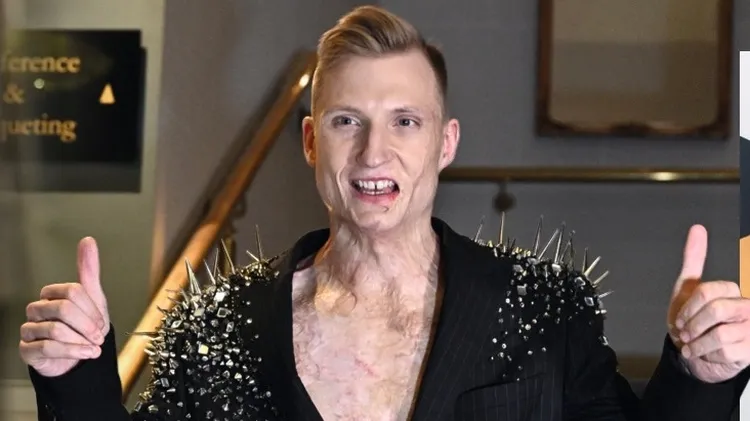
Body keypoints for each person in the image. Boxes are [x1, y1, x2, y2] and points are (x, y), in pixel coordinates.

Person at [19, 6, 750, 421]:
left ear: (445, 143)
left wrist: (701, 374)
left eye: (405, 121)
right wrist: (75, 375)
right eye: (347, 121)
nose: (375, 151)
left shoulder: (546, 309)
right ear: (312, 142)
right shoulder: (219, 326)